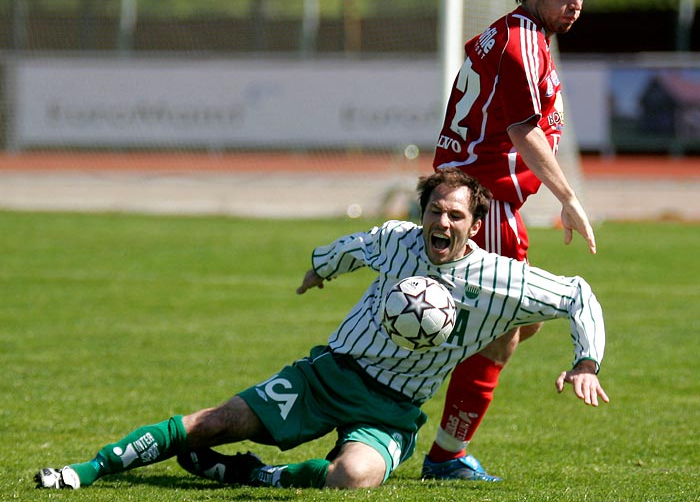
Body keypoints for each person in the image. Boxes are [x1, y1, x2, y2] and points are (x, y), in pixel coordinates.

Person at [35, 168, 608, 492]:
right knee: (214, 422)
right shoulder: (397, 238)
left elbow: (578, 293)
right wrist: (319, 268)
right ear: (423, 212)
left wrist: (586, 361)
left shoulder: (499, 278)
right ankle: (85, 471)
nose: (442, 221)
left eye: (455, 215)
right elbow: (350, 249)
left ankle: (256, 476)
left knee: (353, 479)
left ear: (474, 224)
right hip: (329, 375)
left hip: (393, 409)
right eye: (435, 210)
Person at [424, 0, 596, 481]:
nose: (576, 4)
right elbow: (523, 130)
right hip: (485, 203)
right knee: (501, 327)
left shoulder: (516, 33)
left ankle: (430, 416)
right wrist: (569, 199)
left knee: (517, 323)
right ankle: (445, 452)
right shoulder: (522, 43)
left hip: (478, 198)